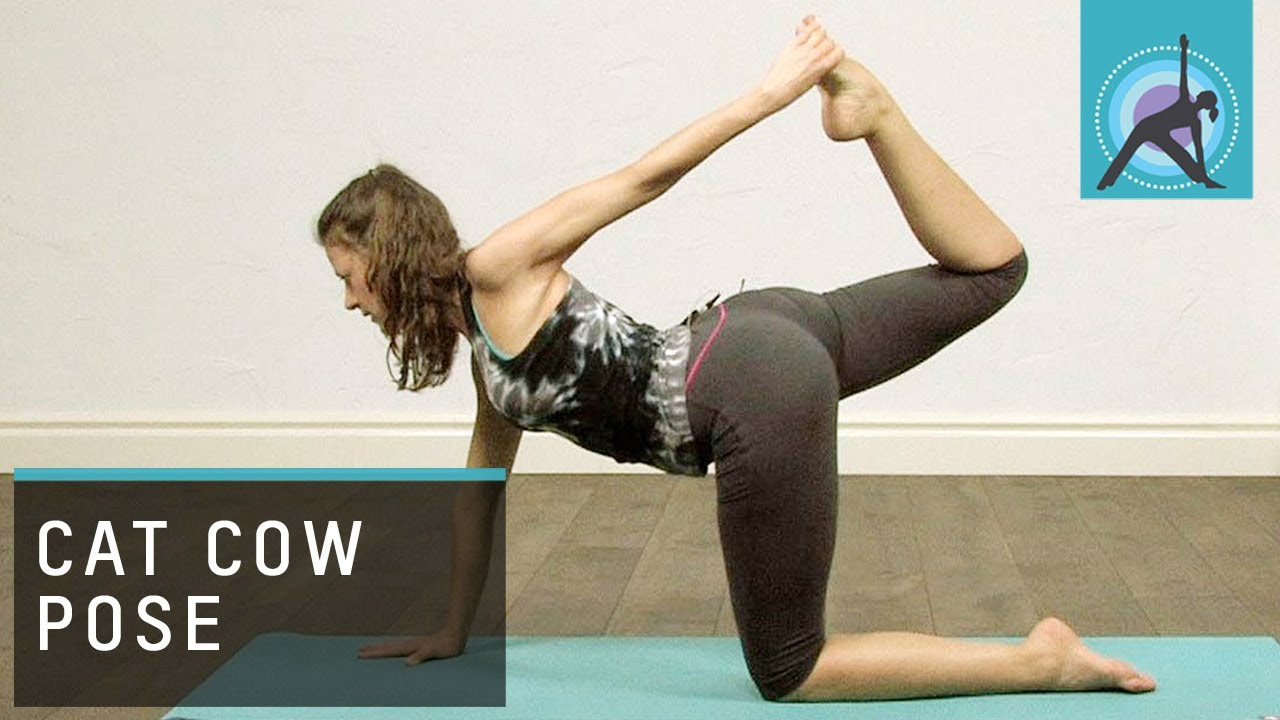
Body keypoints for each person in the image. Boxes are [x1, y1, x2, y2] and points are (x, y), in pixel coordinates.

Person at [317, 15, 1157, 702]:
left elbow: (644, 177)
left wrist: (772, 92)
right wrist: (454, 630)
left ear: (384, 254)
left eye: (350, 279)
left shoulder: (498, 265)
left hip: (745, 385)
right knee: (993, 270)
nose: (351, 302)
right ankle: (878, 116)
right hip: (755, 332)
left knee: (791, 668)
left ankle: (1041, 661)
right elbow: (478, 497)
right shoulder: (489, 368)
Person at [1097, 33, 1225, 190]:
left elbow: (1199, 150)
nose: (1200, 93)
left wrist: (1204, 175)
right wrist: (1183, 50)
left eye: (1204, 94)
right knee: (1125, 154)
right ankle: (1105, 182)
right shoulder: (1188, 107)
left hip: (1160, 134)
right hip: (1146, 127)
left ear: (1203, 100)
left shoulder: (1194, 118)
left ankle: (1203, 179)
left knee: (1183, 156)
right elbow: (1183, 72)